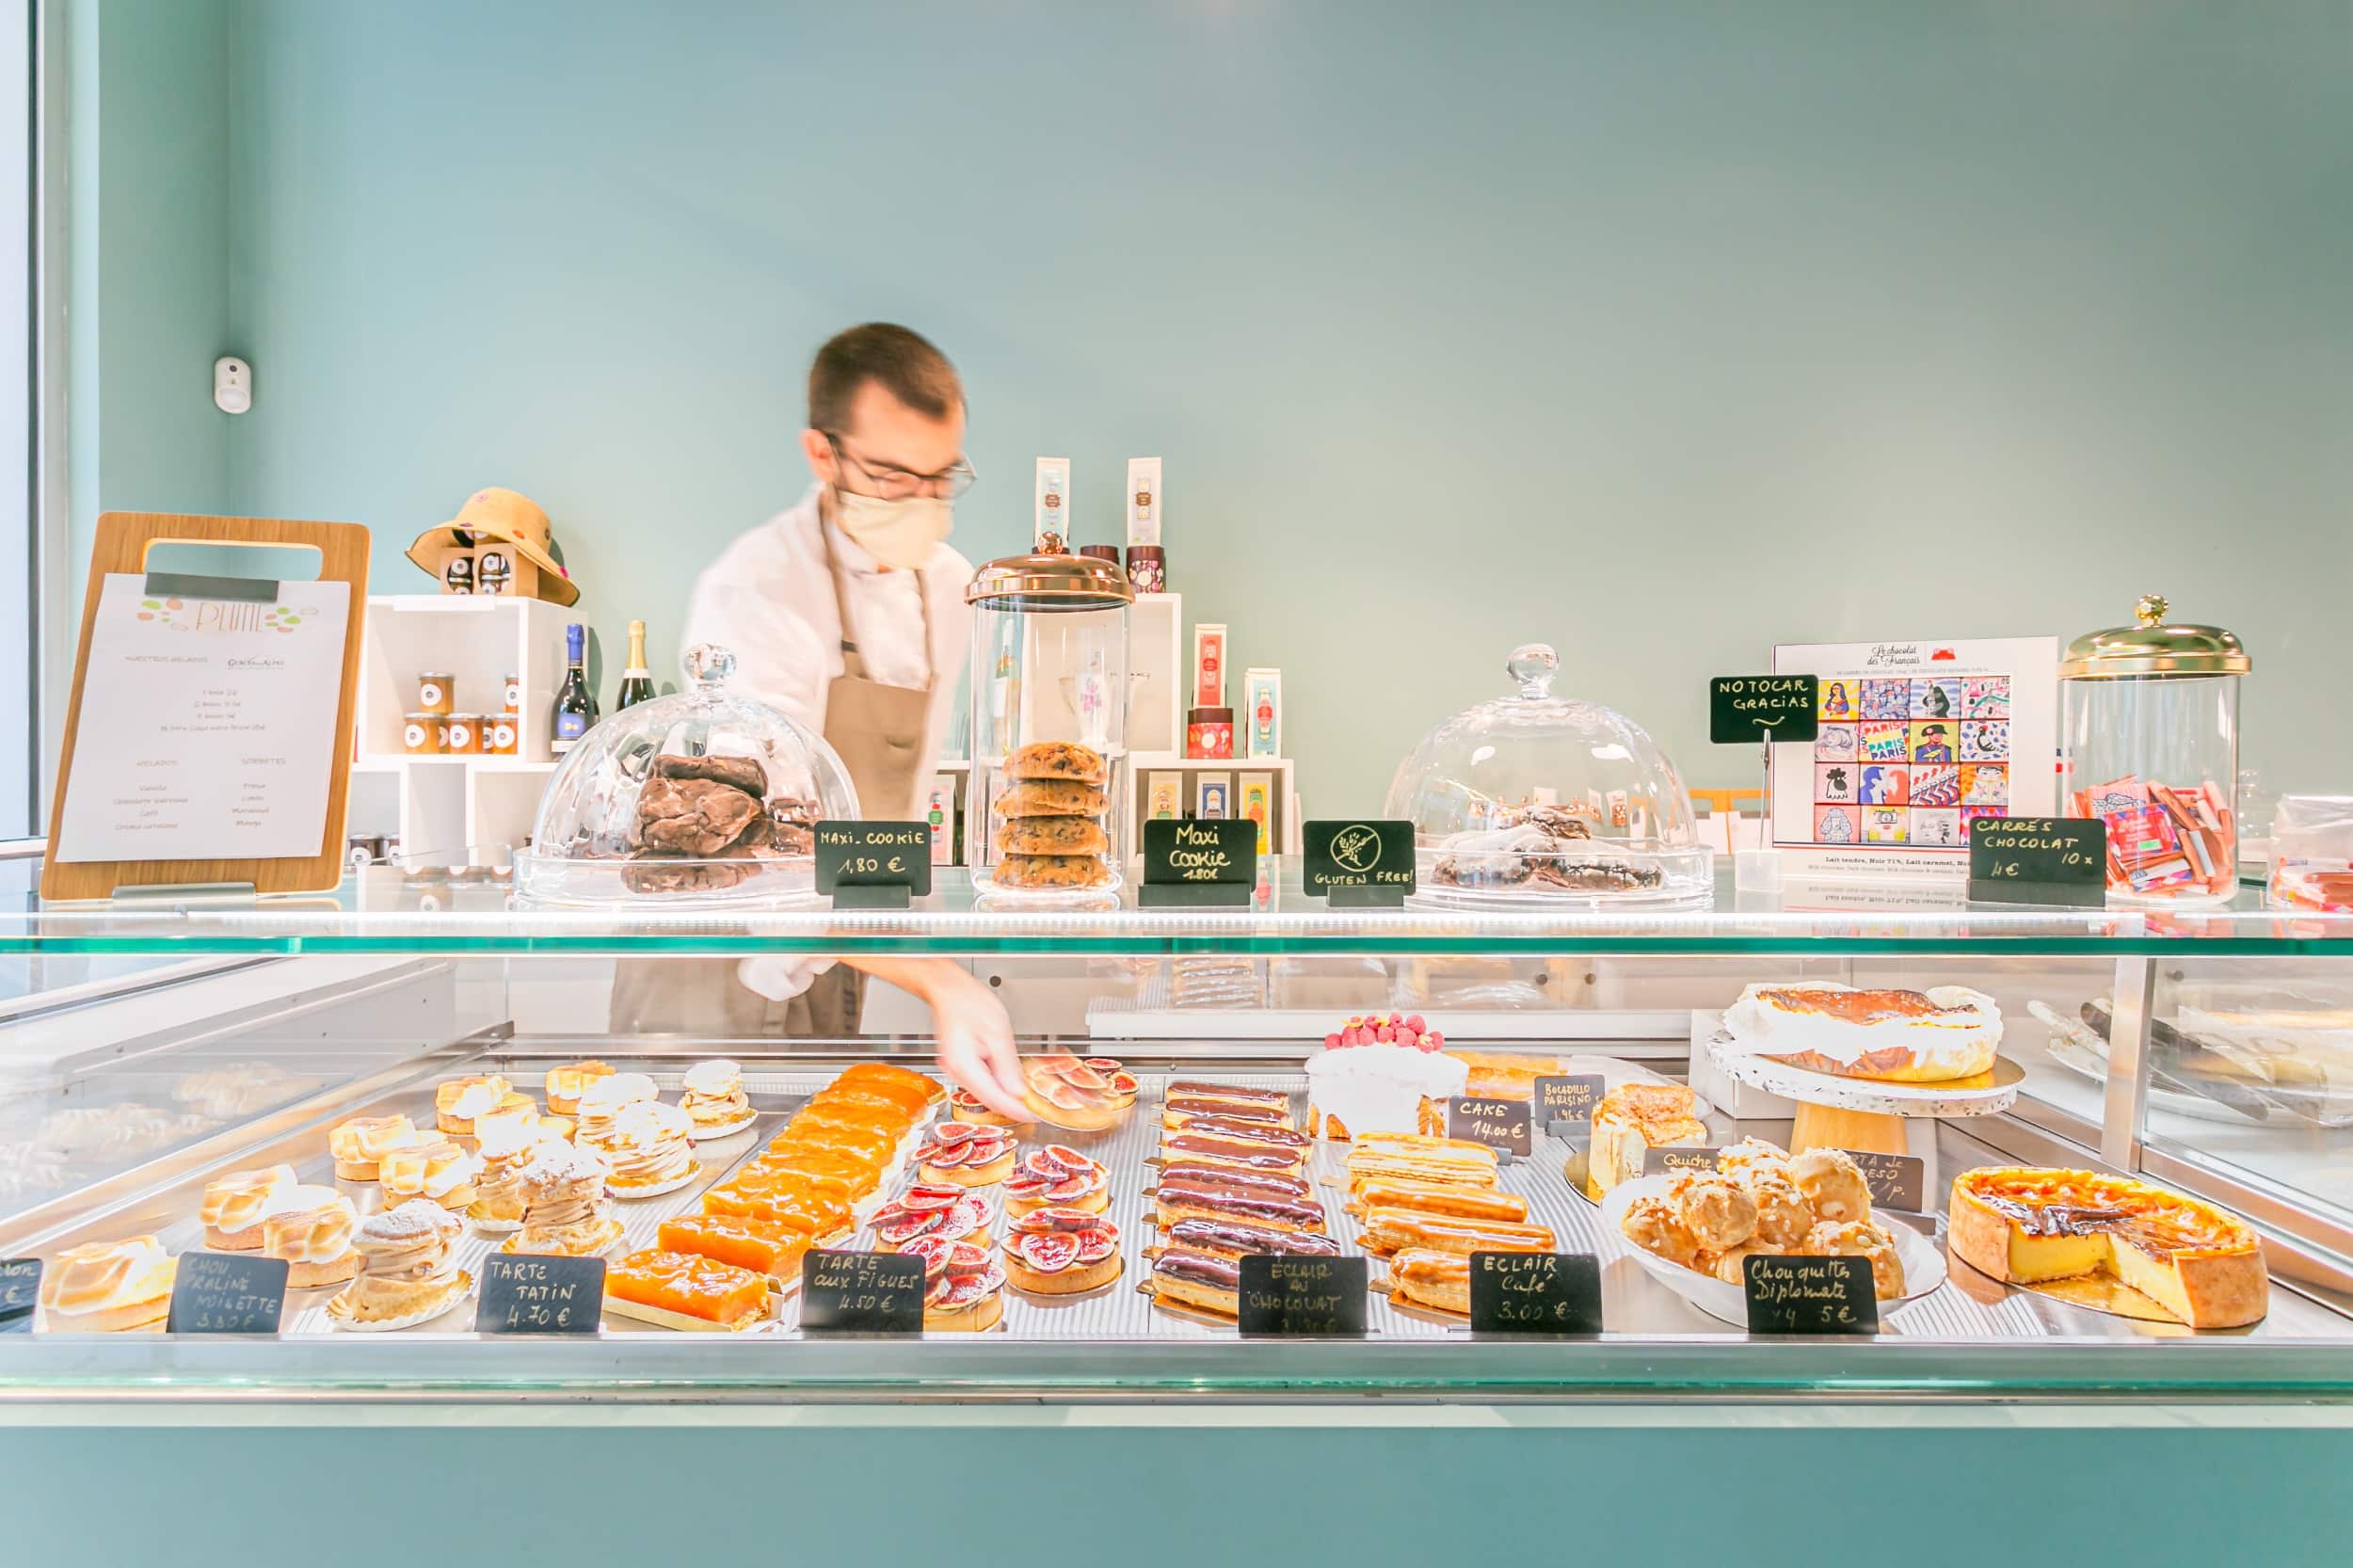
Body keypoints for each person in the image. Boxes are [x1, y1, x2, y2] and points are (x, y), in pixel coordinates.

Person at [610, 324, 1026, 1117]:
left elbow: (886, 818)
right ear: (822, 454)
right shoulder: (755, 590)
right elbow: (759, 851)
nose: (924, 503)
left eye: (943, 478)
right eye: (893, 476)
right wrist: (939, 979)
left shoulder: (950, 585)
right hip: (715, 963)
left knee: (814, 1192)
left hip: (834, 953)